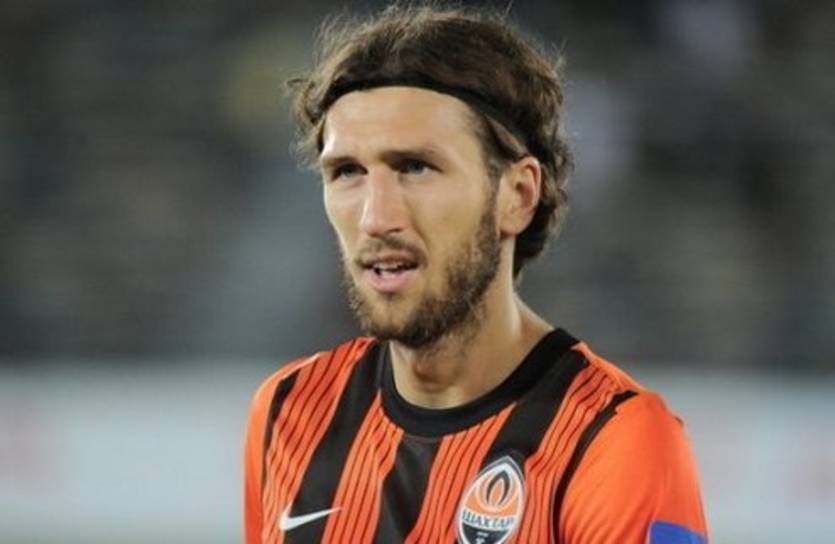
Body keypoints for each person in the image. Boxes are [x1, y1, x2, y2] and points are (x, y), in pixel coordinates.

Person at [244, 4, 708, 543]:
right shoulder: (289, 411)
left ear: (518, 195)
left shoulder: (614, 442)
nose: (375, 217)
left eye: (416, 167)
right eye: (347, 172)